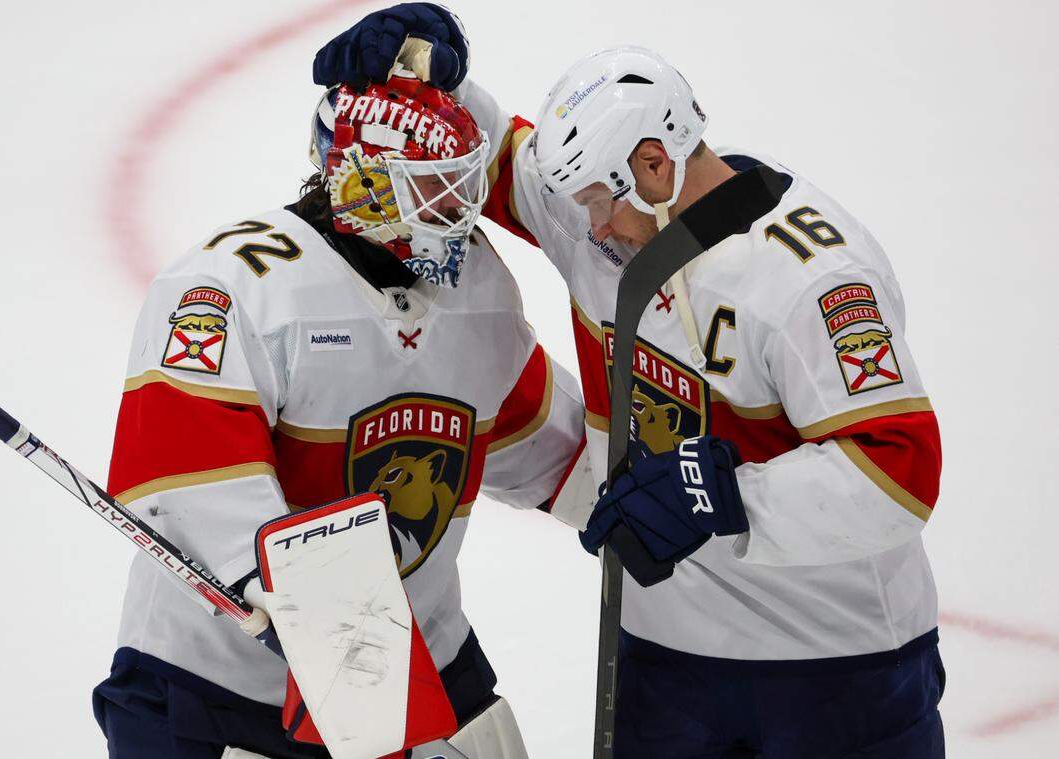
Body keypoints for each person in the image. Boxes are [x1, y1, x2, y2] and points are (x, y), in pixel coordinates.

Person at [314, 6, 947, 758]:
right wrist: (419, 62)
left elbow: (899, 468)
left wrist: (725, 494)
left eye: (595, 203)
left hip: (840, 667)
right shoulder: (611, 212)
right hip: (664, 660)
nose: (587, 227)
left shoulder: (812, 276)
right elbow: (481, 160)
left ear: (654, 164)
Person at [94, 69, 593, 758]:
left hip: (426, 663)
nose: (463, 208)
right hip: (222, 690)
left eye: (461, 182)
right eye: (435, 186)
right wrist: (361, 675)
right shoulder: (231, 285)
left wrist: (635, 492)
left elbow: (547, 446)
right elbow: (190, 483)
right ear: (365, 184)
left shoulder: (474, 286)